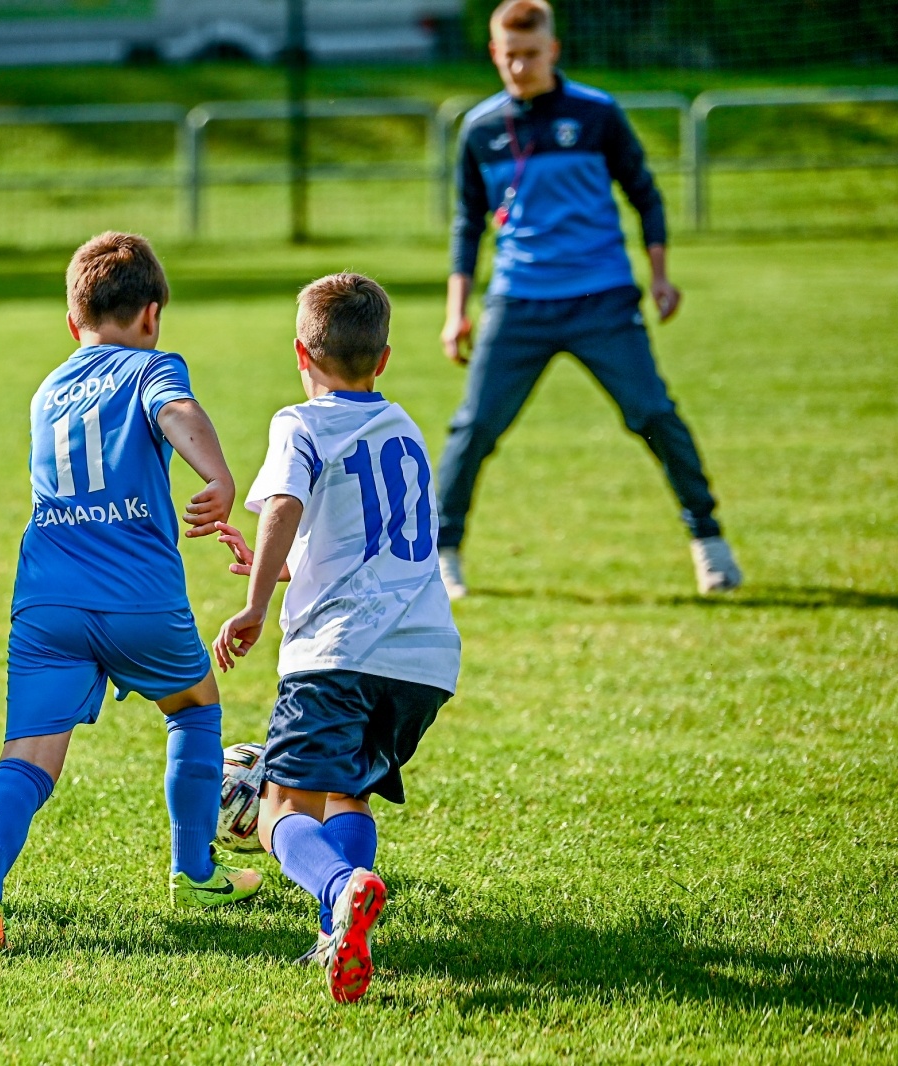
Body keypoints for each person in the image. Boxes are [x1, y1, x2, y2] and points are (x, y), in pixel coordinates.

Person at [0, 231, 262, 950]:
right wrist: (216, 477)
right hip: (138, 597)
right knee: (193, 707)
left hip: (47, 601)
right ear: (151, 316)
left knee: (26, 757)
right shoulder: (152, 366)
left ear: (72, 322)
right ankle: (194, 872)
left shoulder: (48, 388)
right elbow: (175, 410)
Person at [437, 0, 741, 598]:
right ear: (494, 53)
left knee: (654, 415)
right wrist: (457, 312)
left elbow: (644, 194)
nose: (520, 66)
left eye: (531, 54)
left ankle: (709, 542)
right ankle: (443, 554)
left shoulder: (597, 113)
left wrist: (659, 276)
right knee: (473, 429)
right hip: (518, 304)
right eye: (509, 55)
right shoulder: (479, 129)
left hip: (602, 299)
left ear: (553, 50)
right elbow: (467, 224)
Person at [214, 274, 460, 1003]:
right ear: (382, 360)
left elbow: (285, 501)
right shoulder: (406, 429)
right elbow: (373, 538)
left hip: (338, 654)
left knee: (282, 811)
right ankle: (336, 936)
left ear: (300, 352)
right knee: (345, 797)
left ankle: (342, 883)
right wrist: (290, 566)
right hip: (424, 657)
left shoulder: (301, 422)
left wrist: (256, 600)